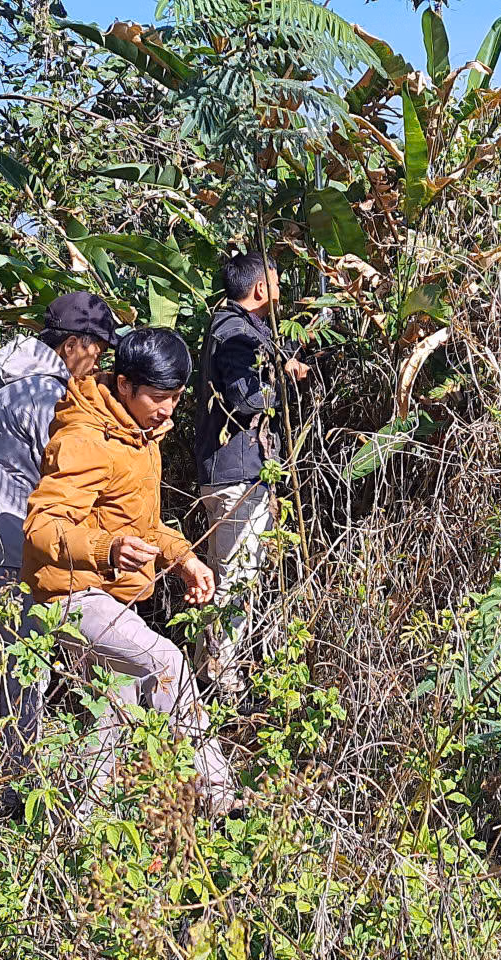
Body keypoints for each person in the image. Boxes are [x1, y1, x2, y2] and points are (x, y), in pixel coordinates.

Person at [12, 327, 238, 818]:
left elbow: (143, 525)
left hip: (109, 594)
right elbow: (41, 527)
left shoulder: (139, 436)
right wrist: (106, 548)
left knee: (110, 717)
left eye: (176, 397)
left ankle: (80, 829)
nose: (168, 410)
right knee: (167, 664)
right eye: (158, 397)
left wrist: (184, 558)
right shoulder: (86, 438)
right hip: (71, 594)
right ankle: (221, 799)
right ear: (123, 385)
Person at [193, 251, 309, 699]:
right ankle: (222, 683)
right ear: (260, 288)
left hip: (233, 472)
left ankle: (212, 673)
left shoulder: (234, 326)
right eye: (276, 281)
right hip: (237, 475)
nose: (280, 289)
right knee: (236, 579)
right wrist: (284, 382)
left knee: (230, 574)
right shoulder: (236, 334)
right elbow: (247, 398)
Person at [0, 291, 121, 601]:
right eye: (97, 352)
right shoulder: (46, 395)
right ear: (71, 345)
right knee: (26, 631)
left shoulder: (5, 377)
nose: (97, 364)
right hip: (18, 545)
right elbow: (68, 470)